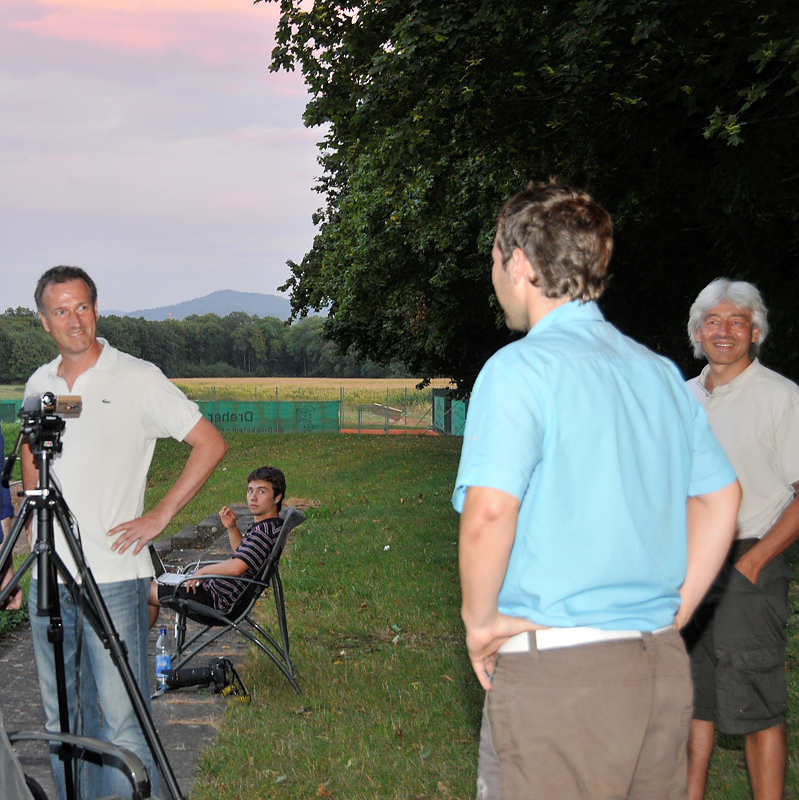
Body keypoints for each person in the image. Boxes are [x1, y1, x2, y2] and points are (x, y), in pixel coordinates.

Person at [453, 181, 741, 800]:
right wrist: (677, 611)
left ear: (519, 263)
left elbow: (490, 511)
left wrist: (480, 622)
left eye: (494, 256)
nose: (494, 272)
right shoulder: (659, 374)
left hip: (560, 678)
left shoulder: (518, 369)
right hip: (659, 670)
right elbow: (722, 499)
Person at [21, 265, 227, 800]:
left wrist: (159, 516)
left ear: (96, 309)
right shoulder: (39, 384)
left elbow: (209, 443)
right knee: (63, 722)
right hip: (51, 578)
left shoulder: (136, 377)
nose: (74, 320)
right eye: (61, 310)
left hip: (114, 576)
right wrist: (28, 549)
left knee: (121, 718)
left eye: (82, 307)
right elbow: (30, 456)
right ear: (43, 321)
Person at [683, 278, 799, 800]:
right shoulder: (682, 398)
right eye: (713, 321)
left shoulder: (781, 397)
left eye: (737, 321)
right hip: (689, 568)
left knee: (755, 704)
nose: (724, 331)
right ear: (697, 332)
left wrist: (752, 565)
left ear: (755, 332)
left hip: (750, 562)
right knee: (692, 703)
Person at [149, 465, 285, 625]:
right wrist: (232, 527)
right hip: (213, 593)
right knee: (149, 585)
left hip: (214, 602)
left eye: (261, 491)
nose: (253, 497)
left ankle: (131, 640)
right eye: (250, 490)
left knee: (140, 589)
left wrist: (202, 572)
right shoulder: (269, 526)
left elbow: (238, 567)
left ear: (277, 497)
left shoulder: (264, 531)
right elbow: (244, 555)